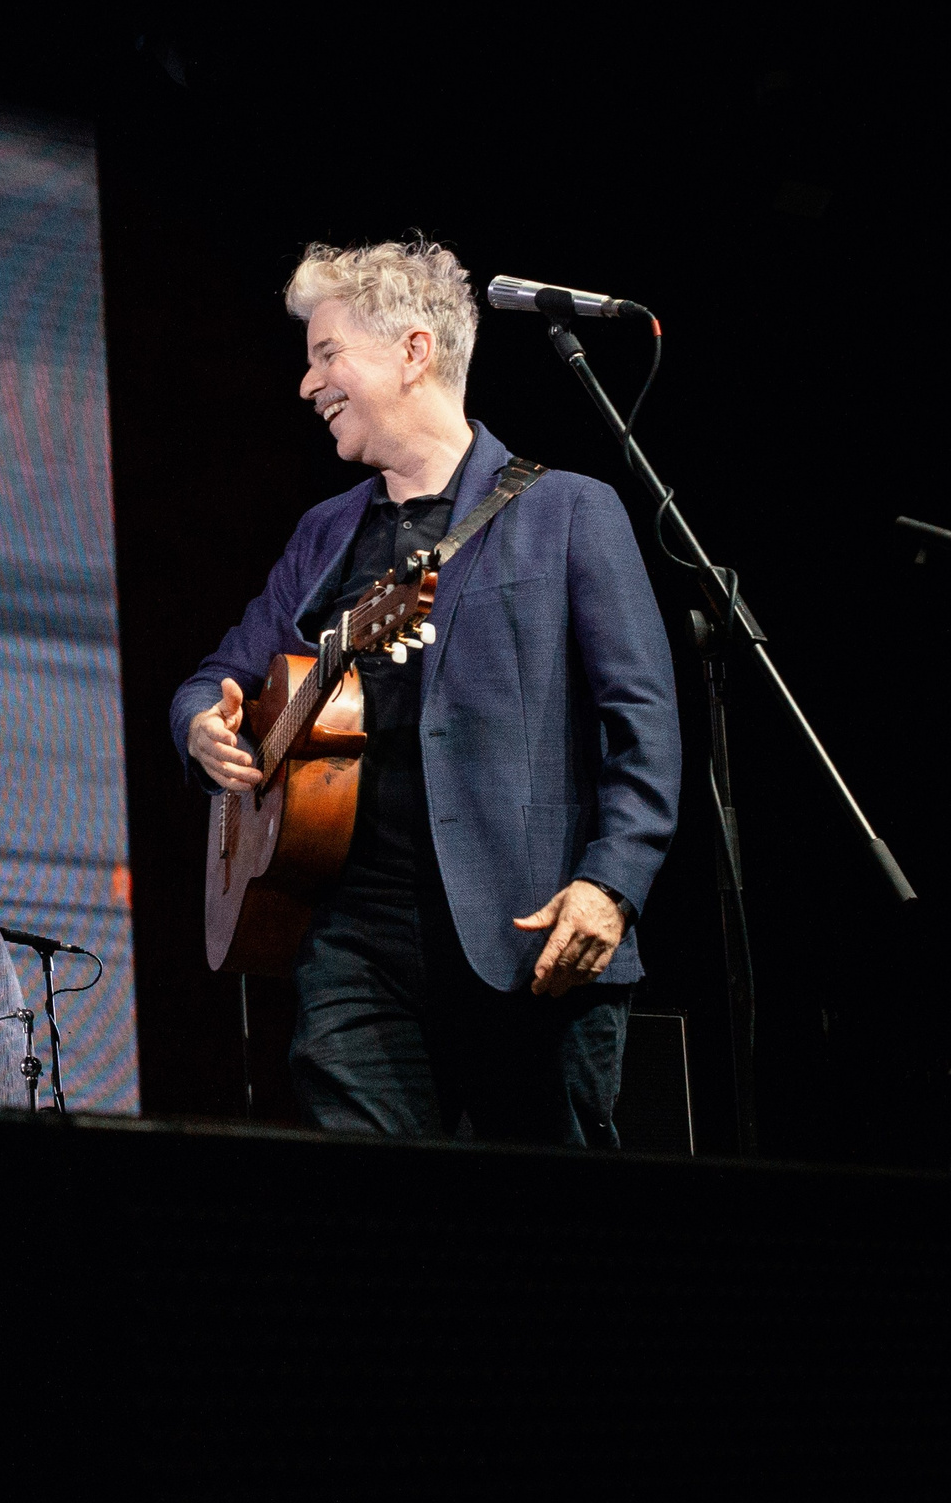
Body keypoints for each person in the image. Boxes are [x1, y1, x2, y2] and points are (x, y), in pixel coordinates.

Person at [171, 237, 680, 1145]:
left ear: (414, 352)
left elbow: (642, 727)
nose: (307, 382)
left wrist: (612, 885)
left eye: (329, 354)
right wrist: (201, 724)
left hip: (531, 940)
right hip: (353, 951)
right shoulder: (324, 534)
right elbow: (221, 674)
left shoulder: (570, 511)